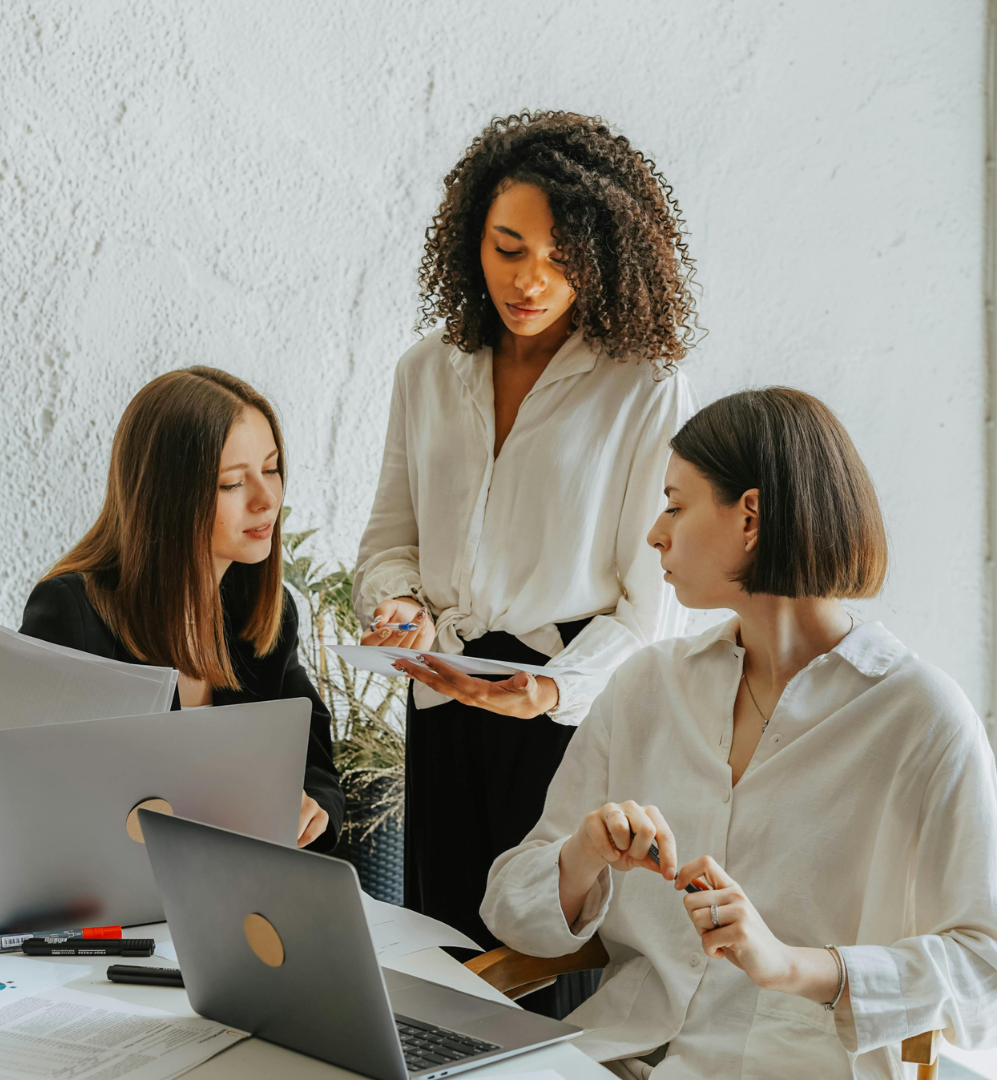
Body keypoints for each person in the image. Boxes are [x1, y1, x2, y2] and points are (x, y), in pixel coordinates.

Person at [480, 388, 997, 1078]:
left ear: (749, 516)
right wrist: (582, 856)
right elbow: (509, 908)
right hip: (609, 1056)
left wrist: (793, 967)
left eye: (675, 503)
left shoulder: (921, 718)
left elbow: (982, 964)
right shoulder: (647, 687)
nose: (655, 534)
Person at [353, 110, 701, 960]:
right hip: (441, 698)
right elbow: (388, 542)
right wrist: (398, 604)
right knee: (443, 955)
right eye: (509, 249)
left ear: (605, 257)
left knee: (547, 961)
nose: (530, 281)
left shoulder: (644, 388)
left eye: (561, 259)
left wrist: (552, 691)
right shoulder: (425, 370)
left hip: (564, 721)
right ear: (472, 239)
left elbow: (653, 610)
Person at [0, 367, 344, 884]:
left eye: (273, 468)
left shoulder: (267, 613)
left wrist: (313, 812)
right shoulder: (74, 613)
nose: (267, 499)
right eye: (232, 483)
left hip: (226, 903)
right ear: (168, 497)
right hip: (96, 917)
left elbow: (317, 769)